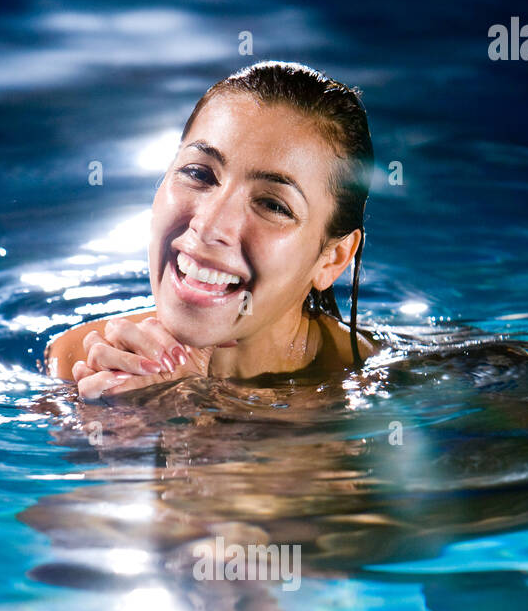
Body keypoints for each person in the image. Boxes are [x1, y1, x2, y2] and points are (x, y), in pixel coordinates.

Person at [45, 61, 379, 397]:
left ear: (332, 260)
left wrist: (185, 416)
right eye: (199, 174)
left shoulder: (380, 393)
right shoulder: (77, 363)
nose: (208, 225)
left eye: (273, 205)